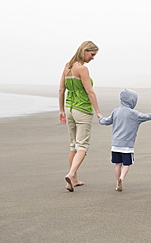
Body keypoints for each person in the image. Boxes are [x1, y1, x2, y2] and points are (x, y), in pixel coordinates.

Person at [99, 88, 151, 192]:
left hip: (115, 144)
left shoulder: (115, 112)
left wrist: (100, 119)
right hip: (127, 145)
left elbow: (106, 121)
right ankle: (122, 177)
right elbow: (148, 116)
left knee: (117, 164)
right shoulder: (134, 114)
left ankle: (117, 183)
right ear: (132, 101)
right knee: (126, 164)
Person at [59, 41, 102, 192]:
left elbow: (61, 90)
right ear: (84, 51)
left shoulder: (67, 66)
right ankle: (71, 175)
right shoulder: (82, 69)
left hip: (69, 109)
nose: (92, 58)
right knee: (82, 145)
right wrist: (98, 111)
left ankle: (74, 179)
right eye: (92, 54)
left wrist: (61, 110)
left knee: (73, 145)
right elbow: (90, 91)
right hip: (82, 109)